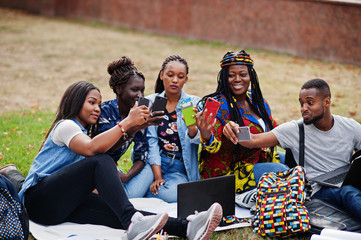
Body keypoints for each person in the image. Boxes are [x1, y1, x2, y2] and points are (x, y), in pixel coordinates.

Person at [17, 81, 223, 240]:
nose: (97, 108)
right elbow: (92, 150)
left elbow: (87, 168)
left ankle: (187, 227)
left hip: (56, 210)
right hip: (38, 200)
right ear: (75, 101)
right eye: (91, 102)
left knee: (123, 213)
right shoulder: (66, 126)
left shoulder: (82, 133)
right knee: (102, 161)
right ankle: (134, 223)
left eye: (99, 103)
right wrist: (127, 122)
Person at [233, 78, 361, 220]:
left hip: (346, 179)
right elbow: (253, 140)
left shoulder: (350, 127)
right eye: (301, 103)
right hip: (317, 189)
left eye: (310, 102)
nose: (303, 108)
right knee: (348, 193)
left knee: (350, 189)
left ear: (327, 102)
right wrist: (233, 129)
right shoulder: (295, 129)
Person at [196, 50, 288, 194]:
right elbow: (212, 146)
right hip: (228, 174)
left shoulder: (257, 101)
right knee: (282, 171)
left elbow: (272, 127)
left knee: (294, 161)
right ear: (224, 78)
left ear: (250, 76)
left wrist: (297, 130)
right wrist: (206, 133)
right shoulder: (218, 105)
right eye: (231, 75)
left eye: (243, 74)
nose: (237, 79)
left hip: (257, 159)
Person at [97, 56, 163, 198]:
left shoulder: (139, 115)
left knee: (145, 174)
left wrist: (128, 176)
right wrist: (132, 128)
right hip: (96, 168)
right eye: (134, 90)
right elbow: (103, 150)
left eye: (142, 90)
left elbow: (142, 154)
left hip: (115, 171)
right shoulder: (103, 113)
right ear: (119, 89)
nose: (140, 95)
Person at [146, 55, 201, 203]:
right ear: (161, 75)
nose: (175, 80)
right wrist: (157, 178)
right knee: (132, 193)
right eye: (170, 75)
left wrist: (192, 129)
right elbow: (151, 141)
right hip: (153, 164)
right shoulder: (152, 101)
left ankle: (149, 194)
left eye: (180, 76)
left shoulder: (193, 103)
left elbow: (198, 140)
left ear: (186, 79)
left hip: (178, 167)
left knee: (171, 195)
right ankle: (148, 191)